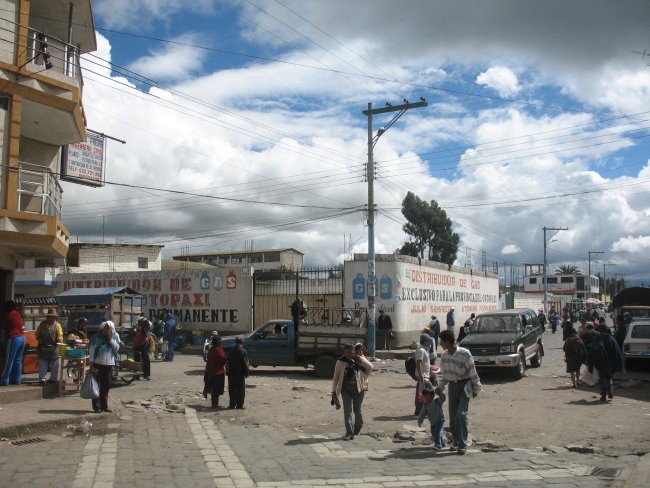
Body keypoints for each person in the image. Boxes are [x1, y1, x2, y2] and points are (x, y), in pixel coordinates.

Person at [435, 329, 482, 455]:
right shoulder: (444, 356)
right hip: (452, 387)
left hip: (465, 386)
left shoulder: (465, 354)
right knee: (453, 416)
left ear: (448, 342)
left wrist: (477, 388)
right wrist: (440, 387)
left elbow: (473, 373)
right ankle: (456, 441)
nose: (440, 344)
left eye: (441, 342)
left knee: (461, 414)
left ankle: (463, 444)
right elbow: (445, 375)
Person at [331, 343, 373, 440]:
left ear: (354, 351)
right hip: (345, 389)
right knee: (347, 411)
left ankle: (358, 427)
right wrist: (334, 391)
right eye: (346, 352)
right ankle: (349, 432)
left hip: (359, 389)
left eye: (351, 352)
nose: (349, 354)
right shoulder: (340, 361)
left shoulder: (359, 359)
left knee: (357, 410)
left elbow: (370, 367)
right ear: (344, 352)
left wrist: (364, 376)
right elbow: (336, 377)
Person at [88, 321, 120, 413]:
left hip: (109, 364)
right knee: (97, 385)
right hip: (98, 363)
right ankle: (97, 406)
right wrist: (91, 364)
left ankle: (104, 406)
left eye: (109, 328)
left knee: (106, 385)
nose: (107, 330)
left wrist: (110, 340)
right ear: (102, 328)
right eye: (106, 328)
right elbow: (92, 350)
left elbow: (117, 348)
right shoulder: (96, 338)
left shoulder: (114, 337)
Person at [588, 326, 624, 402]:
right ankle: (610, 391)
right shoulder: (611, 339)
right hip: (610, 363)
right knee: (609, 377)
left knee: (602, 379)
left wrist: (590, 364)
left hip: (600, 363)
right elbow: (617, 352)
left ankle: (603, 395)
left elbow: (592, 350)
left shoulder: (597, 339)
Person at [35, 308, 63, 384]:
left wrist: (58, 342)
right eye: (51, 316)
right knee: (42, 363)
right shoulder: (42, 324)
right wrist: (39, 340)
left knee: (55, 364)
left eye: (54, 317)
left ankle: (53, 379)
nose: (53, 318)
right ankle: (42, 379)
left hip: (54, 348)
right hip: (43, 347)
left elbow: (60, 338)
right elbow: (37, 334)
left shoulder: (57, 325)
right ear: (48, 317)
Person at [1, 300, 25, 386]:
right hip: (22, 338)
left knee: (9, 360)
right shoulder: (17, 314)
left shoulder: (8, 314)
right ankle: (17, 379)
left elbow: (2, 325)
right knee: (18, 360)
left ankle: (4, 379)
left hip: (13, 338)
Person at [417, 380, 446, 450]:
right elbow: (422, 413)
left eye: (427, 397)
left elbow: (443, 398)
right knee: (434, 433)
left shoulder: (436, 401)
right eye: (425, 397)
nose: (426, 399)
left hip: (439, 421)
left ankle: (438, 445)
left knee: (438, 433)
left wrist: (441, 393)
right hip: (433, 422)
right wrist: (420, 420)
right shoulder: (426, 405)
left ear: (432, 396)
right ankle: (442, 443)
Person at [414, 333, 435, 416]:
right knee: (422, 394)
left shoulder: (425, 350)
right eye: (429, 340)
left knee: (425, 394)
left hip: (425, 376)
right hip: (422, 377)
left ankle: (423, 410)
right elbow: (418, 363)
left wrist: (432, 368)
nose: (430, 342)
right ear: (425, 341)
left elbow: (425, 363)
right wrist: (421, 375)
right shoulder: (421, 350)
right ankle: (419, 411)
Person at [204, 334, 227, 409]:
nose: (221, 343)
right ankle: (214, 404)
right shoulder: (218, 350)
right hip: (218, 373)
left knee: (215, 389)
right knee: (216, 390)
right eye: (220, 342)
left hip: (212, 372)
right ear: (217, 342)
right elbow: (223, 358)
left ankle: (214, 403)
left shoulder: (212, 349)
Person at [227, 335, 249, 409]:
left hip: (231, 372)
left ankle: (232, 404)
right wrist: (246, 373)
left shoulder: (232, 350)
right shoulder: (243, 351)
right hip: (240, 373)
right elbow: (246, 363)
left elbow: (228, 361)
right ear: (242, 341)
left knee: (232, 388)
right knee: (240, 389)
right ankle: (239, 405)